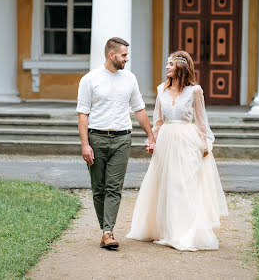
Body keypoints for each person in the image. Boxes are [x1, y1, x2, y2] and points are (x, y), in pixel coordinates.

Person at [126, 50, 228, 251]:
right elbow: (158, 121)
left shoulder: (195, 91)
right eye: (167, 64)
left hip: (187, 141)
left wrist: (205, 145)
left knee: (185, 184)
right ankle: (168, 230)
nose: (166, 67)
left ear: (181, 67)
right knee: (168, 184)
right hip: (166, 141)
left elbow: (201, 121)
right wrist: (151, 140)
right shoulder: (161, 90)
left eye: (170, 64)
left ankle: (185, 232)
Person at [76, 37, 156, 250]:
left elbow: (139, 109)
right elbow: (83, 114)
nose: (126, 59)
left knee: (114, 187)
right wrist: (85, 144)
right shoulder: (89, 80)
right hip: (96, 137)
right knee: (98, 188)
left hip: (122, 138)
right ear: (112, 55)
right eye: (123, 55)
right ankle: (106, 229)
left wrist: (151, 135)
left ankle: (107, 231)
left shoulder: (130, 79)